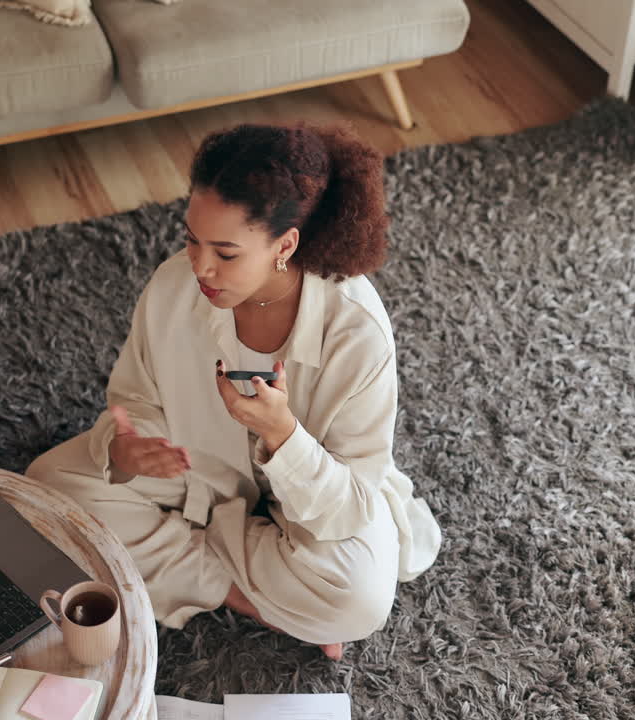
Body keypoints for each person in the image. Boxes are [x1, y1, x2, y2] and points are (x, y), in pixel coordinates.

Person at [26, 123, 440, 660]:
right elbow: (136, 398)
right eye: (192, 239)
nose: (200, 266)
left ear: (284, 245)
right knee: (46, 491)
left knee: (360, 599)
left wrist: (282, 433)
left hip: (313, 502)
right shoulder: (175, 286)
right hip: (196, 474)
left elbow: (355, 502)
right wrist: (127, 449)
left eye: (225, 252)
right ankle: (248, 597)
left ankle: (187, 555)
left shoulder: (357, 331)